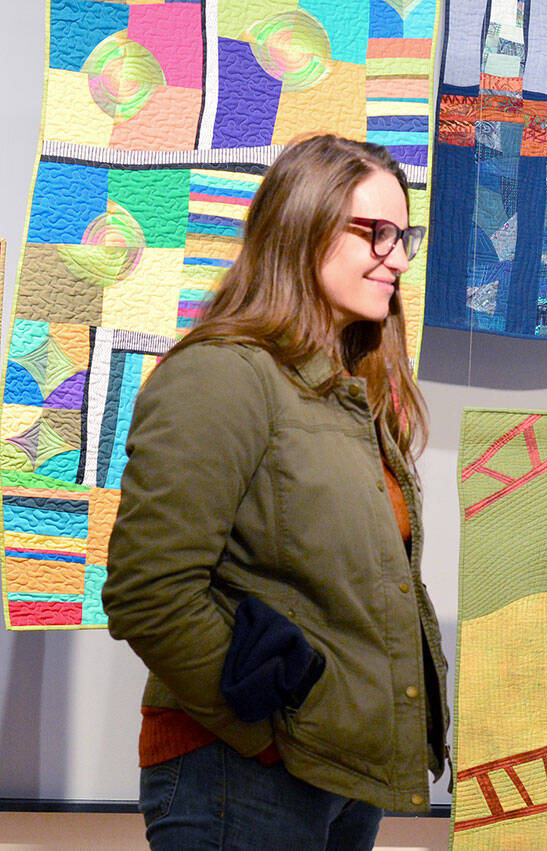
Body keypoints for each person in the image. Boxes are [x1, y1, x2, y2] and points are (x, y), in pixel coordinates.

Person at [102, 134, 449, 849]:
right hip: (242, 775)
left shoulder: (347, 393)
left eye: (404, 234)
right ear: (302, 225)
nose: (398, 257)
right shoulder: (225, 374)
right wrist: (264, 731)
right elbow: (148, 588)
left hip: (336, 777)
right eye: (374, 232)